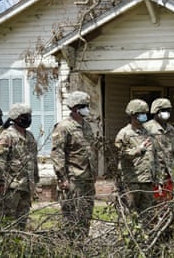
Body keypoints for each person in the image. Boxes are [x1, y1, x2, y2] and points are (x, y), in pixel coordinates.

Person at [51, 91, 98, 238]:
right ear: (75, 108)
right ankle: (69, 248)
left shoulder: (87, 126)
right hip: (73, 179)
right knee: (71, 217)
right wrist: (62, 178)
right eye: (83, 106)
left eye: (87, 106)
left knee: (85, 215)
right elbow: (57, 153)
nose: (86, 109)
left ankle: (81, 244)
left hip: (88, 179)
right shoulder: (64, 127)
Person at [0, 103, 39, 230]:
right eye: (24, 116)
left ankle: (17, 247)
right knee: (6, 221)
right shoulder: (6, 136)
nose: (28, 119)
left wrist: (35, 181)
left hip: (26, 186)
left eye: (29, 116)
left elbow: (33, 161)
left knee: (21, 222)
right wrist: (1, 183)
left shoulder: (29, 136)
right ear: (16, 118)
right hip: (11, 187)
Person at [115, 99, 158, 218]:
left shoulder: (148, 132)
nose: (145, 116)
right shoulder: (124, 133)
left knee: (147, 215)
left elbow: (154, 155)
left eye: (145, 113)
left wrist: (157, 176)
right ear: (133, 115)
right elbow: (122, 153)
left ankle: (146, 236)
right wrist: (138, 150)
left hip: (147, 181)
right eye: (141, 114)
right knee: (130, 215)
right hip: (132, 181)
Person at [145, 98, 174, 201]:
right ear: (156, 111)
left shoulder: (171, 129)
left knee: (167, 203)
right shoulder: (147, 128)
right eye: (164, 110)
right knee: (153, 204)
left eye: (168, 110)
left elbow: (173, 152)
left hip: (169, 173)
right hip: (154, 174)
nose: (166, 113)